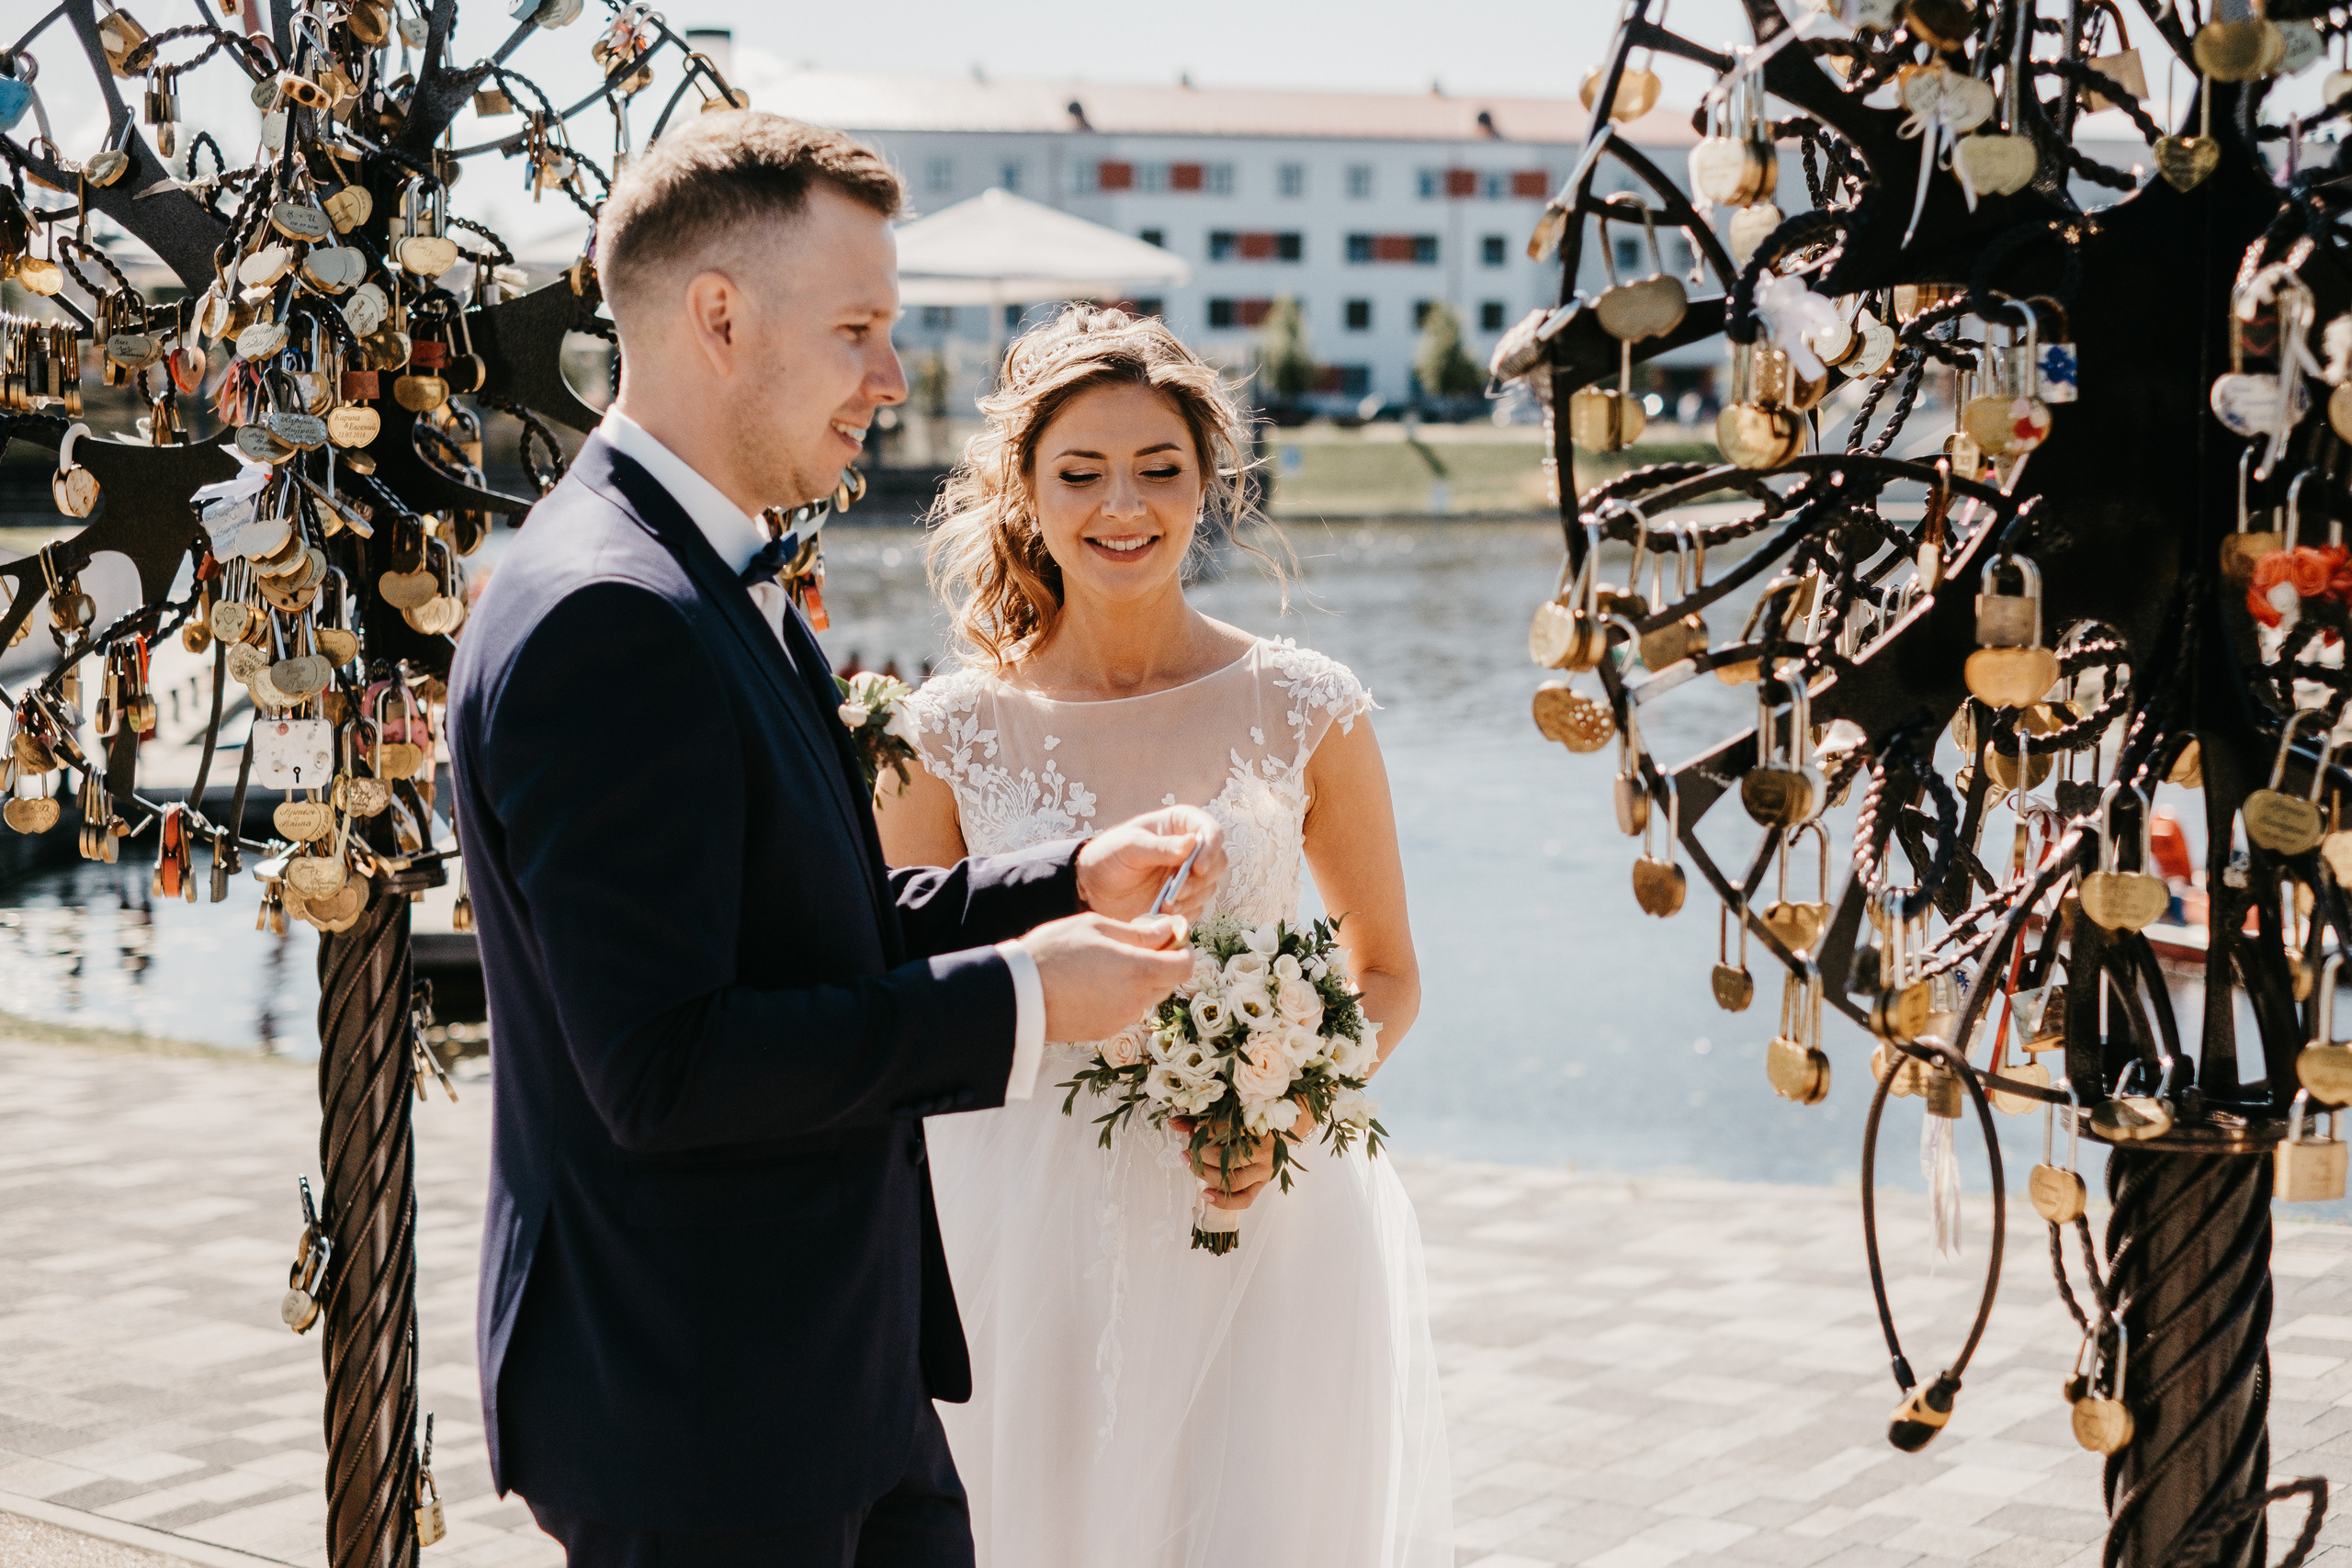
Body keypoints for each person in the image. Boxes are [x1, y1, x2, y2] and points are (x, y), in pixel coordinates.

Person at [445, 116, 1228, 1567]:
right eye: (861, 329)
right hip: (699, 1410)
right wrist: (1028, 998)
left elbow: (810, 916)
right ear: (721, 318)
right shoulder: (605, 614)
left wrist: (1058, 881)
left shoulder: (706, 568)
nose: (892, 379)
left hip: (827, 1372)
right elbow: (665, 1069)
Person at [875, 307, 1452, 1567]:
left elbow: (1388, 975)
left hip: (1262, 1222)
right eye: (1080, 473)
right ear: (1022, 493)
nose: (1121, 505)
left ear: (1210, 487)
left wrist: (1293, 1107)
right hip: (1015, 1218)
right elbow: (891, 995)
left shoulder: (1306, 706)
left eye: (1160, 470)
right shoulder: (948, 732)